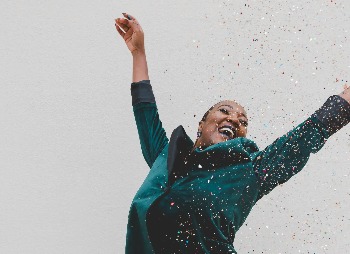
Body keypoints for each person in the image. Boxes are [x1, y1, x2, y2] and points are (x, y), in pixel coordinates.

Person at [115, 13, 350, 254]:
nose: (234, 118)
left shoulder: (249, 172)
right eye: (224, 110)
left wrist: (346, 100)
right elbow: (145, 112)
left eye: (243, 121)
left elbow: (300, 141)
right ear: (202, 124)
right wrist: (138, 53)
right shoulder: (165, 159)